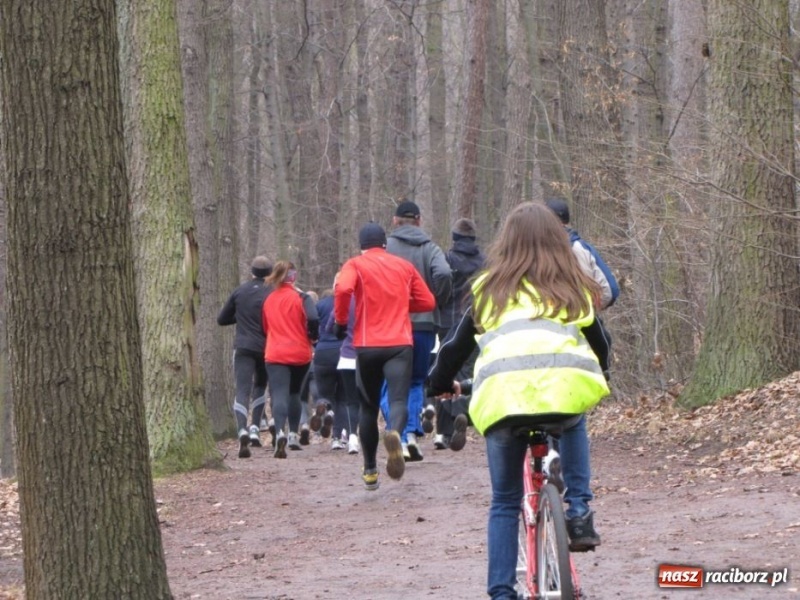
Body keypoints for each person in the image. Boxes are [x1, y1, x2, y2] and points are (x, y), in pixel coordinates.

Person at [426, 202, 610, 600]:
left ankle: (501, 593)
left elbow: (455, 349)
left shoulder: (488, 289)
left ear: (506, 243)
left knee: (505, 501)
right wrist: (603, 373)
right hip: (562, 394)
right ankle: (579, 512)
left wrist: (437, 384)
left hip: (503, 400)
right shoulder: (572, 287)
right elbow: (601, 343)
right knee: (575, 418)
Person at [334, 222, 435, 490]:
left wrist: (341, 321)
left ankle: (369, 470)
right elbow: (428, 302)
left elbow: (343, 290)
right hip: (400, 344)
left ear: (361, 245)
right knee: (399, 399)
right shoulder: (403, 266)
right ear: (384, 244)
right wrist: (401, 303)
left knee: (367, 408)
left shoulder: (354, 265)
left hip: (367, 346)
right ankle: (394, 433)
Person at [382, 200, 451, 461]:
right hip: (423, 324)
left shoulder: (386, 249)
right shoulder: (430, 248)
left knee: (389, 382)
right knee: (414, 382)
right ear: (419, 220)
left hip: (389, 325)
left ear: (395, 220)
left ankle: (397, 434)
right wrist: (436, 299)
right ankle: (410, 434)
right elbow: (443, 273)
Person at [426, 217, 485, 449]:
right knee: (468, 371)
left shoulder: (447, 258)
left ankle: (443, 431)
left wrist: (439, 304)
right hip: (476, 320)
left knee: (445, 369)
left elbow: (439, 282)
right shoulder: (485, 261)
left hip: (449, 320)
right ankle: (465, 415)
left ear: (455, 238)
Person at [217, 256, 274, 458]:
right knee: (260, 387)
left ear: (252, 271)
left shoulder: (239, 291)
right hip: (266, 347)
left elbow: (222, 319)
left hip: (243, 346)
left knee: (242, 389)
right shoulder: (273, 292)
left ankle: (241, 429)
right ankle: (255, 429)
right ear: (270, 273)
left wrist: (240, 316)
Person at [262, 261, 319, 458]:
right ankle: (293, 434)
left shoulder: (269, 299)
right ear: (293, 275)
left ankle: (279, 433)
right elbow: (313, 318)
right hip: (299, 353)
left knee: (278, 394)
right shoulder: (302, 298)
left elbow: (265, 327)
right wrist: (313, 336)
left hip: (275, 352)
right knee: (295, 393)